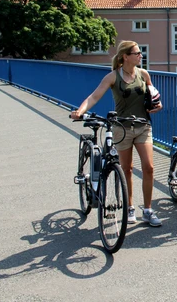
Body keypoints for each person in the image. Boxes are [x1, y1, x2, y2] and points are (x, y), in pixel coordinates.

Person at [71, 40, 163, 226]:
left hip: (143, 125)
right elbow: (94, 96)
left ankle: (147, 210)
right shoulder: (113, 77)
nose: (140, 56)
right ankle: (129, 207)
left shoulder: (144, 74)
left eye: (140, 53)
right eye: (137, 53)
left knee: (149, 167)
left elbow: (152, 97)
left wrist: (157, 106)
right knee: (126, 169)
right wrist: (80, 111)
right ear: (125, 56)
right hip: (121, 128)